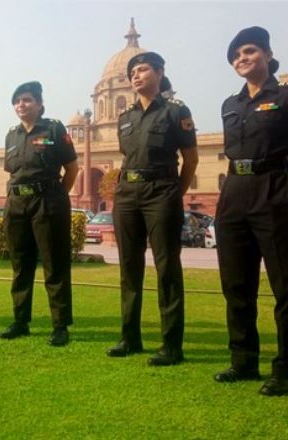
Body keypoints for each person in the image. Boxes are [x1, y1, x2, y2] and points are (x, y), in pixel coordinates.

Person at [214, 26, 288, 396]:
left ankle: (286, 369)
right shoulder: (231, 104)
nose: (242, 58)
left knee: (287, 286)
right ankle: (243, 360)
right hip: (235, 193)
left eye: (250, 51)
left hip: (276, 188)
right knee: (236, 285)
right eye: (236, 55)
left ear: (269, 55)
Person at [107, 53, 198, 365]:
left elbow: (191, 159)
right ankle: (129, 337)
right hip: (127, 193)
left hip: (162, 191)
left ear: (160, 73)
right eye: (132, 71)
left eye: (142, 69)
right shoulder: (126, 118)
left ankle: (171, 345)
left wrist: (174, 193)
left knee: (167, 268)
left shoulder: (175, 112)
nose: (136, 75)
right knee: (129, 268)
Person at [0, 81, 79, 347]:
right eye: (18, 101)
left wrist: (55, 196)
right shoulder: (12, 135)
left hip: (47, 201)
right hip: (17, 203)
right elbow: (13, 172)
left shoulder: (53, 128)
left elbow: (72, 168)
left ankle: (60, 325)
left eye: (28, 100)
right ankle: (20, 321)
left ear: (40, 104)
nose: (22, 104)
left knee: (54, 264)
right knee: (20, 265)